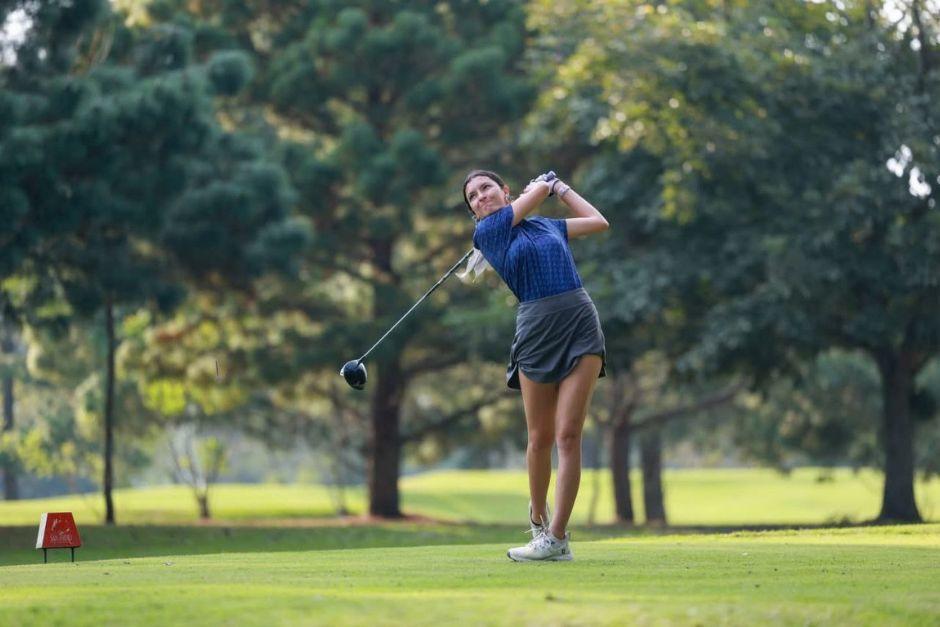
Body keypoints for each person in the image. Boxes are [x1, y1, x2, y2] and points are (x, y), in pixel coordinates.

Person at [462, 169, 609, 562]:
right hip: (536, 331)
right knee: (539, 438)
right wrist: (542, 186)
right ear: (474, 213)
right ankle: (538, 519)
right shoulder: (488, 234)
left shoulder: (547, 225)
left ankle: (557, 538)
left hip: (579, 321)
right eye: (473, 197)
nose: (480, 197)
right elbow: (530, 199)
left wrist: (560, 188)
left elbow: (598, 222)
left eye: (486, 188)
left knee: (568, 435)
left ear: (503, 190)